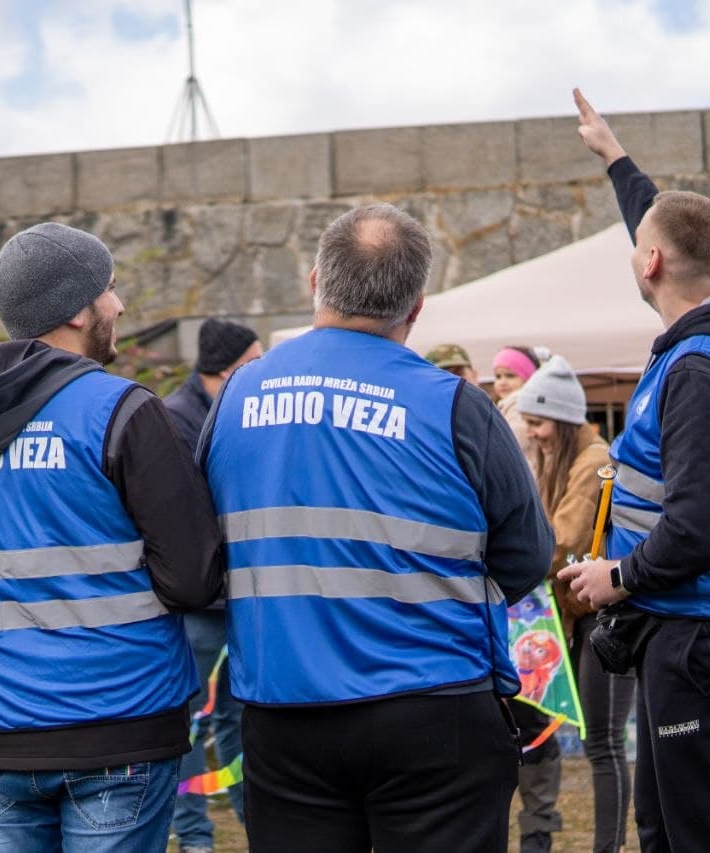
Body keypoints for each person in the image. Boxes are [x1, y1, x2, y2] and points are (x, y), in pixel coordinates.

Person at [199, 203, 554, 852]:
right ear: (416, 306)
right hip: (435, 707)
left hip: (284, 710)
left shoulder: (235, 398)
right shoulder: (456, 406)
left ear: (314, 282)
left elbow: (198, 550)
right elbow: (527, 558)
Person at [0, 222, 225, 852]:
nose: (120, 306)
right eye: (110, 290)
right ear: (78, 312)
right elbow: (192, 577)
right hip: (119, 727)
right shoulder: (123, 410)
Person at [560, 89, 710, 852]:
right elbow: (660, 221)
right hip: (702, 622)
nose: (636, 248)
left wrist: (615, 577)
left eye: (639, 245)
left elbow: (696, 527)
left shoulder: (699, 370)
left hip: (706, 630)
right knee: (663, 824)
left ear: (651, 263)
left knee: (704, 834)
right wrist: (614, 156)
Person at [517, 355, 633, 853]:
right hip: (583, 615)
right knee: (599, 743)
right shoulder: (562, 459)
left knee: (605, 743)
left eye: (538, 423)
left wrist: (510, 566)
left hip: (608, 617)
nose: (533, 434)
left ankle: (608, 847)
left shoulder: (594, 461)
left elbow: (559, 541)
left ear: (562, 421)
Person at [164, 317, 262, 853]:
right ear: (227, 370)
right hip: (202, 605)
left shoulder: (238, 411)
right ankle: (196, 837)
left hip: (240, 603)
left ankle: (258, 827)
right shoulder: (175, 419)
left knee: (238, 721)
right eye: (255, 360)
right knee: (191, 724)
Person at [493, 345, 545, 472]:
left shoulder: (519, 404)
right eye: (498, 376)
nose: (502, 382)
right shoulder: (505, 405)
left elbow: (510, 443)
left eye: (510, 376)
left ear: (528, 377)